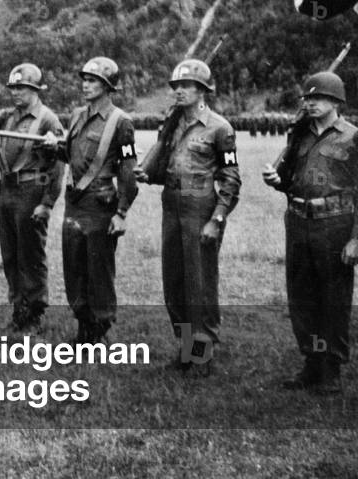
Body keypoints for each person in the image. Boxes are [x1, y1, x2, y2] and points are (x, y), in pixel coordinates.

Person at [136, 59, 240, 374]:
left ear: (202, 91)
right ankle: (185, 350)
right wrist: (148, 174)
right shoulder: (172, 124)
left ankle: (202, 354)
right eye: (176, 87)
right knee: (175, 284)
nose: (179, 91)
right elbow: (165, 168)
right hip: (172, 207)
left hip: (200, 207)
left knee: (200, 286)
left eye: (187, 86)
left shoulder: (220, 128)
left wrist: (216, 219)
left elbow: (231, 179)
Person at [262, 71, 358, 394]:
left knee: (333, 298)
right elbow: (290, 182)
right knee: (302, 297)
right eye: (308, 98)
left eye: (318, 98)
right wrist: (278, 183)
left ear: (335, 101)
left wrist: (356, 239)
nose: (311, 103)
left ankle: (331, 369)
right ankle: (312, 362)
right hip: (299, 220)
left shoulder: (352, 137)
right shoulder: (299, 137)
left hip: (335, 223)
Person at [44, 57, 138, 344]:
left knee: (98, 272)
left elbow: (128, 172)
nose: (85, 85)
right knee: (75, 270)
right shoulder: (76, 116)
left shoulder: (121, 122)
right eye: (84, 79)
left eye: (93, 80)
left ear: (108, 86)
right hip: (74, 205)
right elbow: (70, 156)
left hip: (99, 205)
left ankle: (99, 333)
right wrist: (54, 147)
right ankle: (83, 329)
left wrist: (121, 212)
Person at [0, 63, 65, 333]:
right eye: (13, 88)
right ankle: (19, 309)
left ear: (35, 90)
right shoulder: (9, 116)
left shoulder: (48, 119)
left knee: (31, 255)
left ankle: (34, 313)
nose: (16, 93)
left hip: (31, 191)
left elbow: (58, 164)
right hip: (7, 191)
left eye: (22, 88)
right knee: (10, 254)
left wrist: (47, 203)